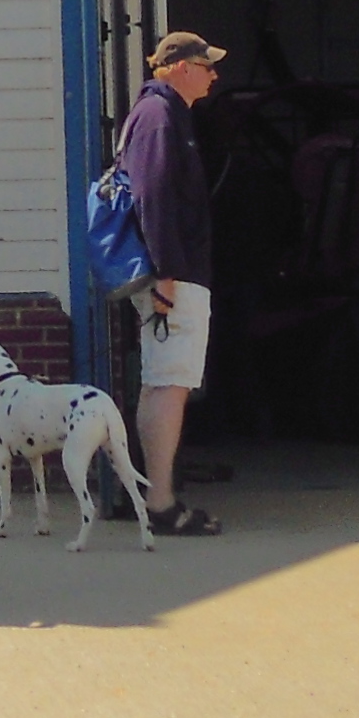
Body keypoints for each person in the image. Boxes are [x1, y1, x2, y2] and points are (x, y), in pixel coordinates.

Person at [115, 30, 226, 536]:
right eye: (207, 66)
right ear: (181, 66)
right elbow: (153, 198)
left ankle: (151, 493)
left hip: (172, 275)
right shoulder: (160, 118)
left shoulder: (159, 114)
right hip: (173, 278)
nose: (213, 75)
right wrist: (166, 275)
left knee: (163, 381)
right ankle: (159, 503)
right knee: (169, 383)